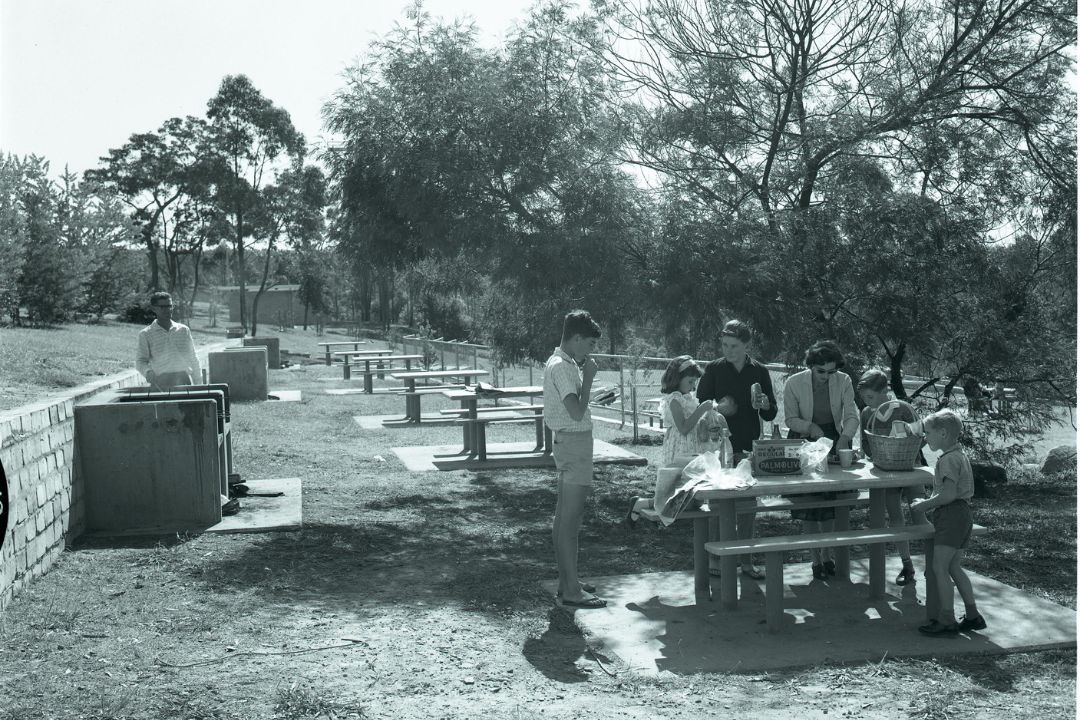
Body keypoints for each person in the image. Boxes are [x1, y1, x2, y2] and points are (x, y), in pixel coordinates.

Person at [696, 319, 776, 579]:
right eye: (724, 345)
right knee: (719, 507)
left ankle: (747, 562)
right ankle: (716, 561)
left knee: (747, 509)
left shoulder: (760, 371)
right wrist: (718, 408)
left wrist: (764, 404)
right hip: (719, 448)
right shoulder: (714, 369)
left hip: (748, 447)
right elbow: (699, 406)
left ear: (746, 345)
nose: (728, 350)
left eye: (734, 345)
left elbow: (771, 412)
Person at [783, 340, 860, 580]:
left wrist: (845, 437)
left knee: (829, 504)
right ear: (811, 366)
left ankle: (827, 555)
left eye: (831, 371)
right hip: (804, 439)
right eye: (821, 371)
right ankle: (815, 559)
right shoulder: (794, 383)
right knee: (808, 505)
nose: (826, 376)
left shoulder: (844, 381)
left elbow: (850, 414)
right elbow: (790, 419)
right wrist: (811, 427)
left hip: (834, 438)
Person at [544, 310, 605, 609]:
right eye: (589, 344)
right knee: (570, 521)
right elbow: (577, 412)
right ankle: (571, 591)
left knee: (563, 519)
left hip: (566, 442)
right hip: (575, 443)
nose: (590, 351)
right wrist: (590, 379)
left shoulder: (559, 362)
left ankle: (567, 580)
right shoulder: (565, 368)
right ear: (576, 338)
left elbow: (573, 406)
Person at [910, 409, 985, 635]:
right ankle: (973, 616)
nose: (926, 437)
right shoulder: (958, 454)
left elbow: (948, 495)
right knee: (954, 567)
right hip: (962, 515)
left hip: (951, 515)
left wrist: (923, 505)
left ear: (942, 433)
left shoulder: (948, 460)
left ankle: (946, 620)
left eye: (928, 433)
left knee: (939, 568)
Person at [625, 356, 724, 525]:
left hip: (692, 446)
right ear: (678, 378)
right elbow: (683, 427)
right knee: (678, 493)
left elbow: (693, 423)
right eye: (690, 381)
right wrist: (701, 410)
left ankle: (650, 504)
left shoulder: (688, 397)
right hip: (680, 447)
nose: (693, 386)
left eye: (695, 383)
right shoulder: (674, 400)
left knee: (692, 492)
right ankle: (642, 503)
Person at [857, 368, 927, 585]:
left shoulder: (903, 410)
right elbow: (867, 445)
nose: (867, 402)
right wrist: (877, 453)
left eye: (870, 397)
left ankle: (933, 561)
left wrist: (903, 446)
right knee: (895, 517)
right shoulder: (867, 414)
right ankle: (907, 565)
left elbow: (921, 437)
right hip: (885, 473)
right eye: (863, 398)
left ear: (884, 392)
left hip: (911, 469)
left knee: (919, 512)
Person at [135, 291, 200, 391]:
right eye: (162, 307)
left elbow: (193, 358)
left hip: (184, 381)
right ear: (154, 308)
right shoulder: (145, 334)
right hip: (160, 383)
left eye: (169, 306)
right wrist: (148, 372)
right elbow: (141, 361)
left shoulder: (184, 330)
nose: (167, 310)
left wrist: (199, 385)